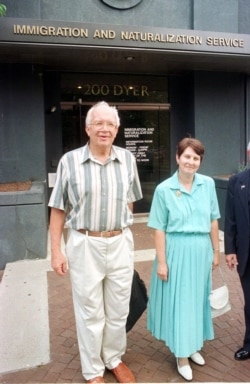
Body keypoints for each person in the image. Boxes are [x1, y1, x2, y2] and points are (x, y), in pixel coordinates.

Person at [49, 101, 142, 383]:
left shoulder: (128, 160)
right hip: (84, 243)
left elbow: (130, 202)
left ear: (117, 129)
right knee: (90, 310)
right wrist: (57, 251)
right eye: (99, 123)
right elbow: (58, 209)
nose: (104, 129)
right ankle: (92, 370)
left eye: (110, 124)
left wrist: (121, 230)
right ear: (87, 128)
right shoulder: (69, 161)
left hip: (119, 243)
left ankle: (113, 357)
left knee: (118, 307)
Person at [147, 138, 220, 381]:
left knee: (197, 300)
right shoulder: (163, 189)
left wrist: (216, 251)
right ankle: (181, 355)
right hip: (176, 250)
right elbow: (159, 228)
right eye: (186, 156)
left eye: (195, 158)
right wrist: (163, 261)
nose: (191, 161)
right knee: (180, 303)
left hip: (201, 251)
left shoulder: (207, 185)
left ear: (200, 162)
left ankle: (193, 346)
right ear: (177, 158)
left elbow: (212, 220)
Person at [224, 168, 250, 361]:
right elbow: (230, 218)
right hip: (246, 253)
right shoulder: (237, 181)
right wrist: (230, 249)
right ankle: (249, 343)